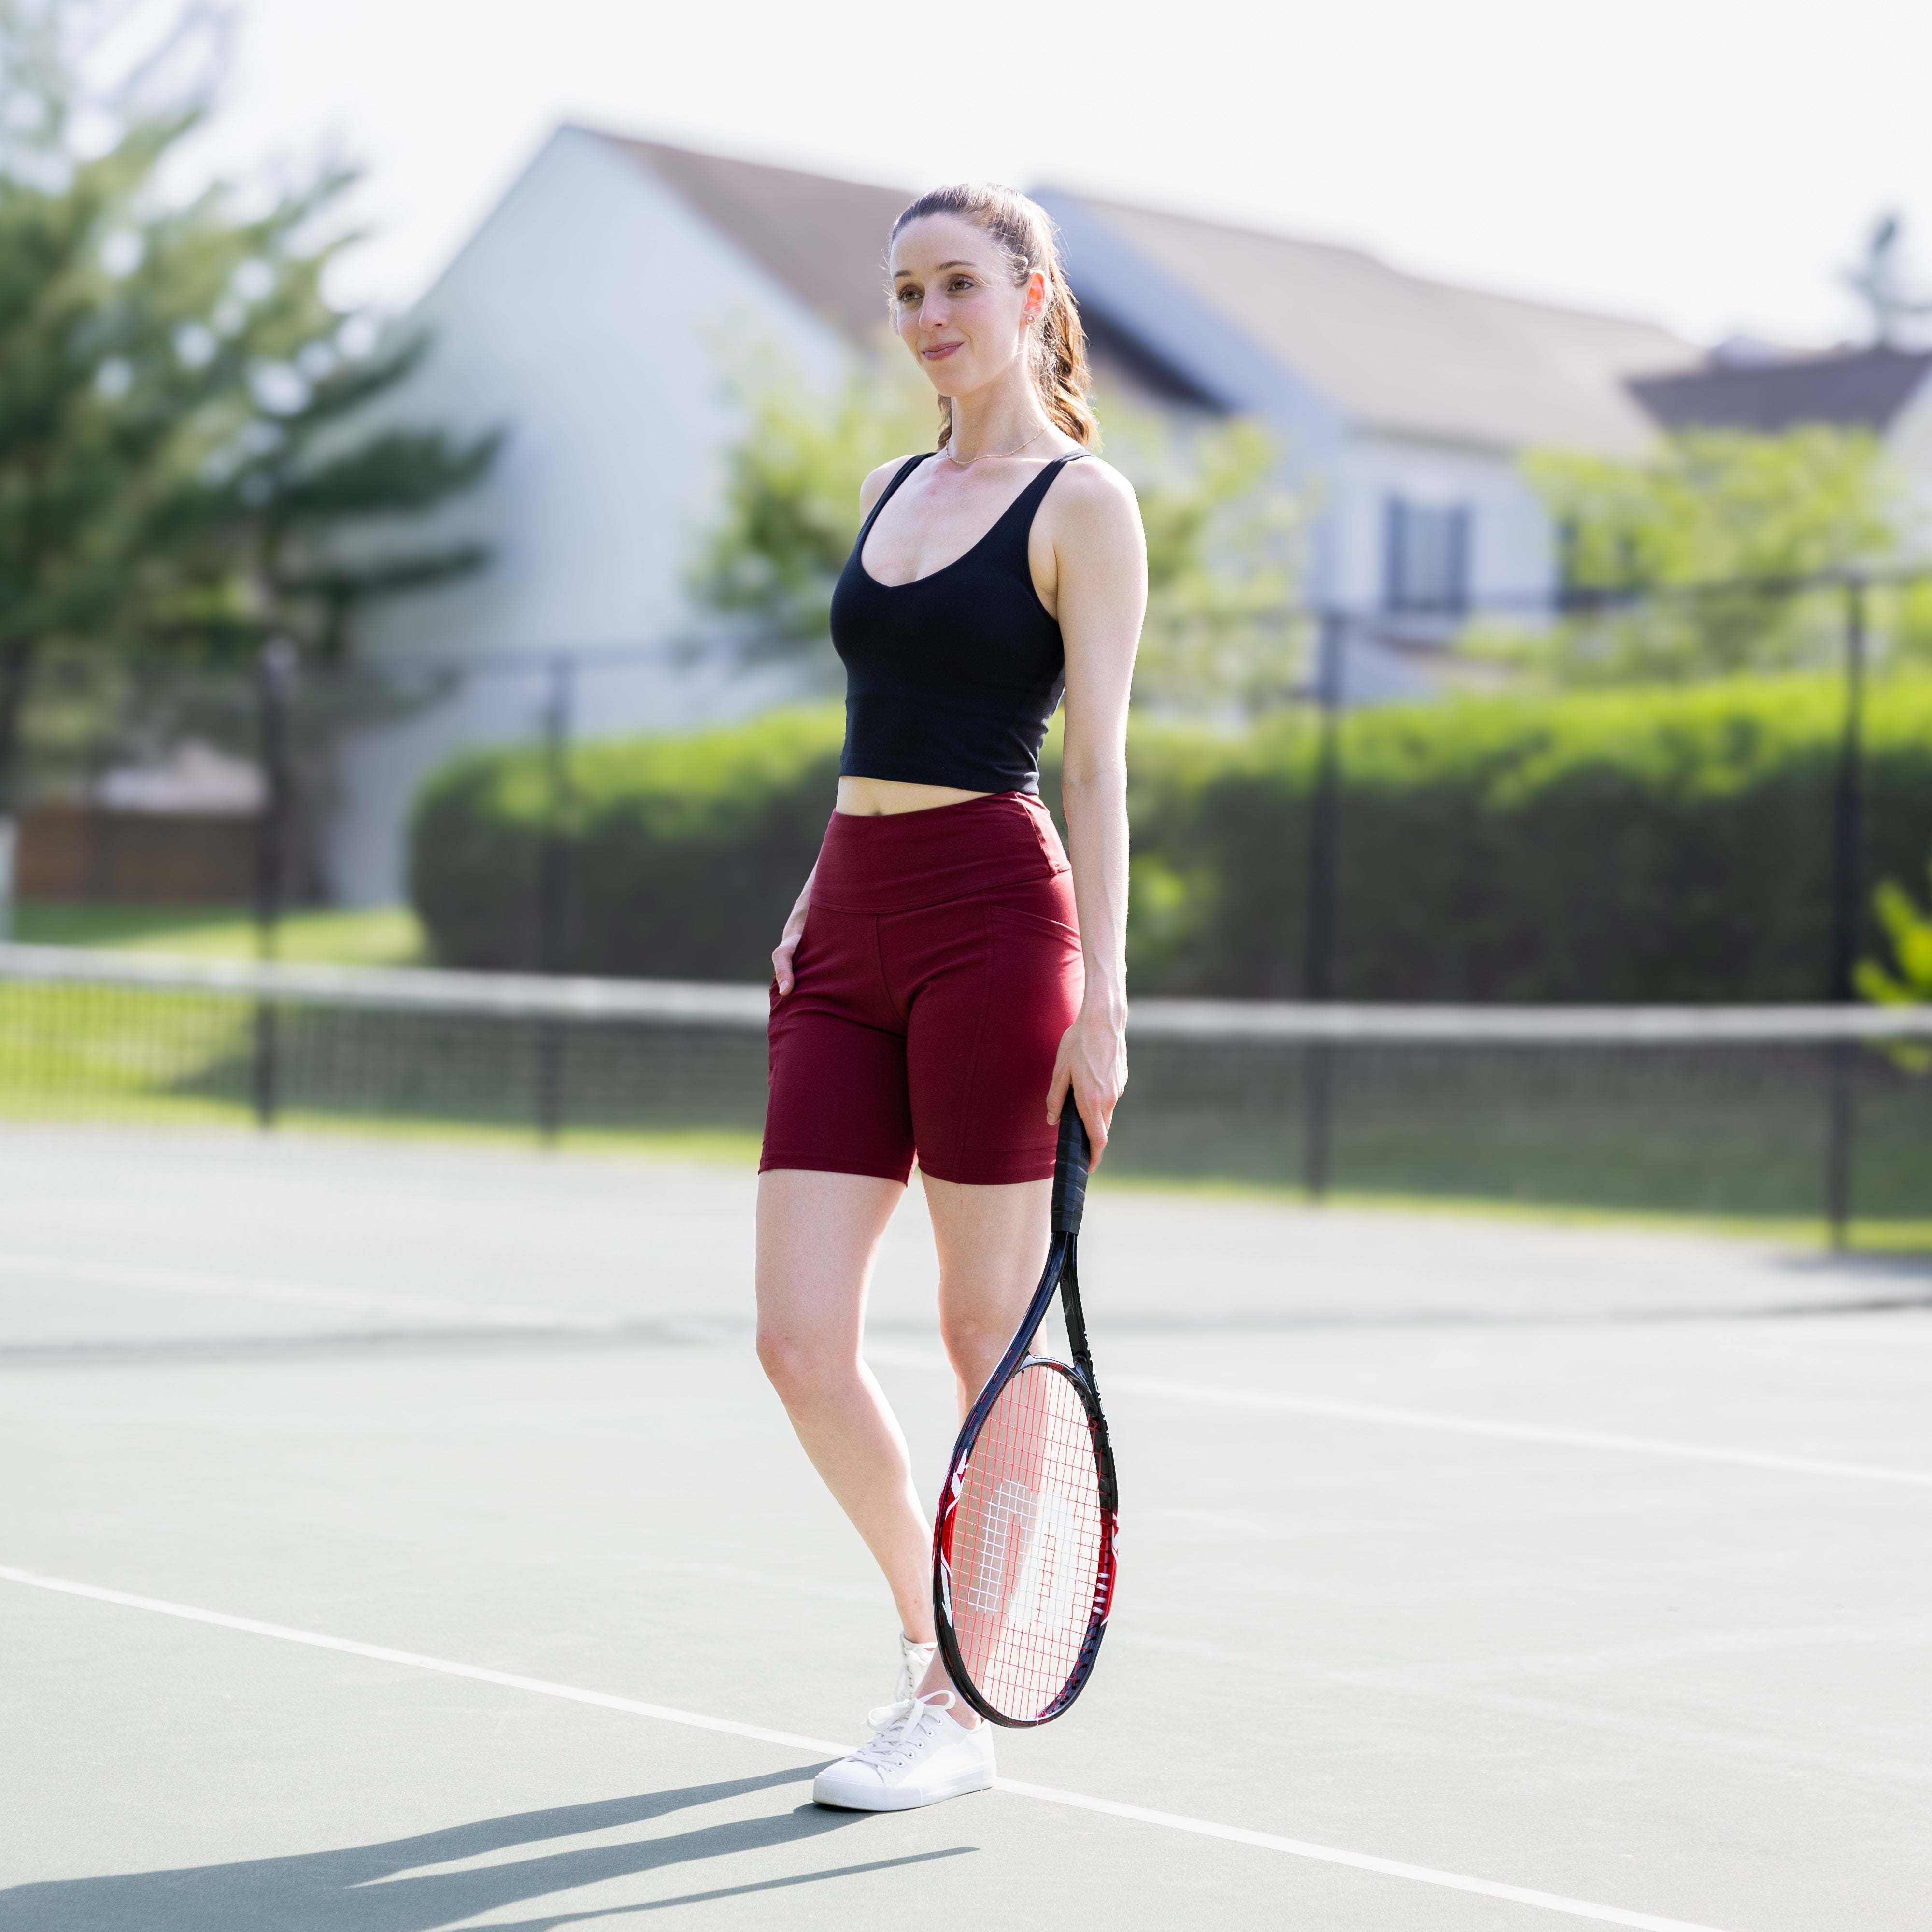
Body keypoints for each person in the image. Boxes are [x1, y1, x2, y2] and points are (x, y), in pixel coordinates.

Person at [755, 182, 1146, 1812]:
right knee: (797, 1341)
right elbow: (877, 722)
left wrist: (1106, 997)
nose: (927, 317)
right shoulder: (885, 487)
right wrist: (812, 891)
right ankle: (939, 1637)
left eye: (959, 285)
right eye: (906, 290)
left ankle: (956, 1706)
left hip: (997, 923)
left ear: (1032, 295)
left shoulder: (1085, 504)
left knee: (986, 1330)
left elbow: (1099, 763)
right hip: (847, 930)